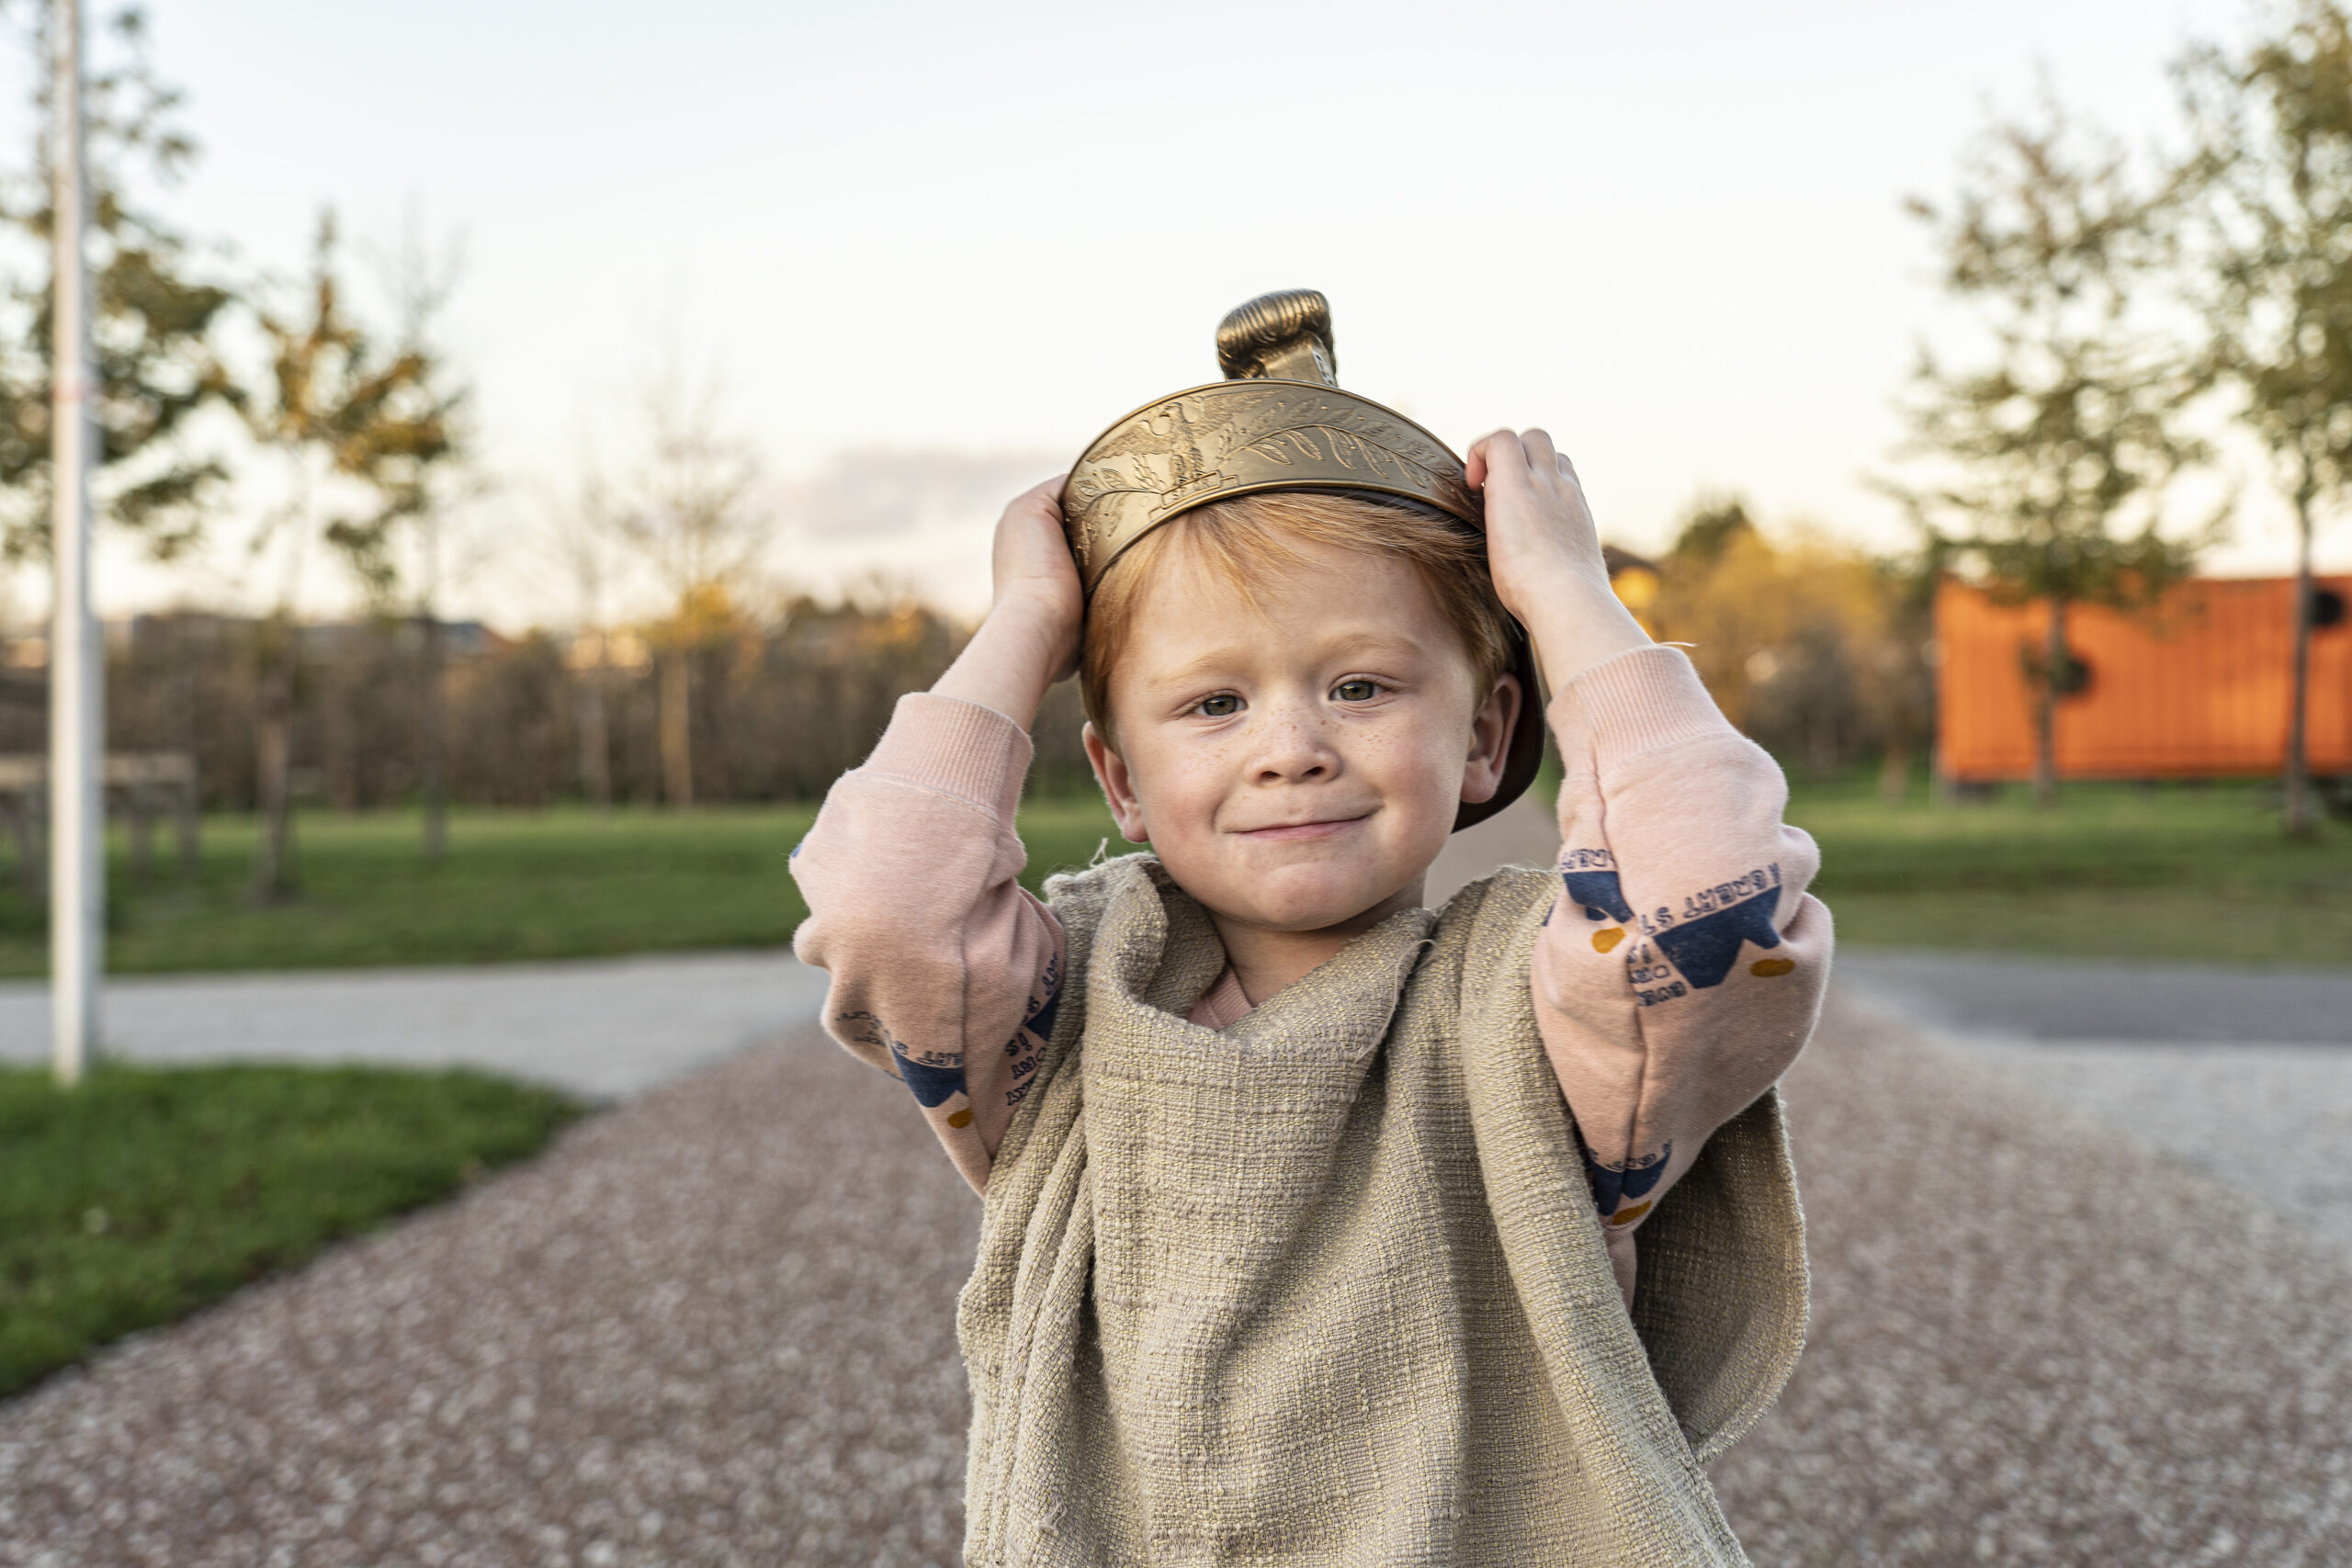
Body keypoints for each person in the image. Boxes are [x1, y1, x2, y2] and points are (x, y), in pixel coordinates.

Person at [791, 291, 1831, 1565]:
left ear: (1491, 734)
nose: (1292, 748)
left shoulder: (1547, 1021)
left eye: (1361, 685)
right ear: (1119, 780)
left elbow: (1711, 893)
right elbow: (881, 907)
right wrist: (1024, 625)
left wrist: (1562, 590)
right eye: (1213, 702)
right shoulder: (1061, 1032)